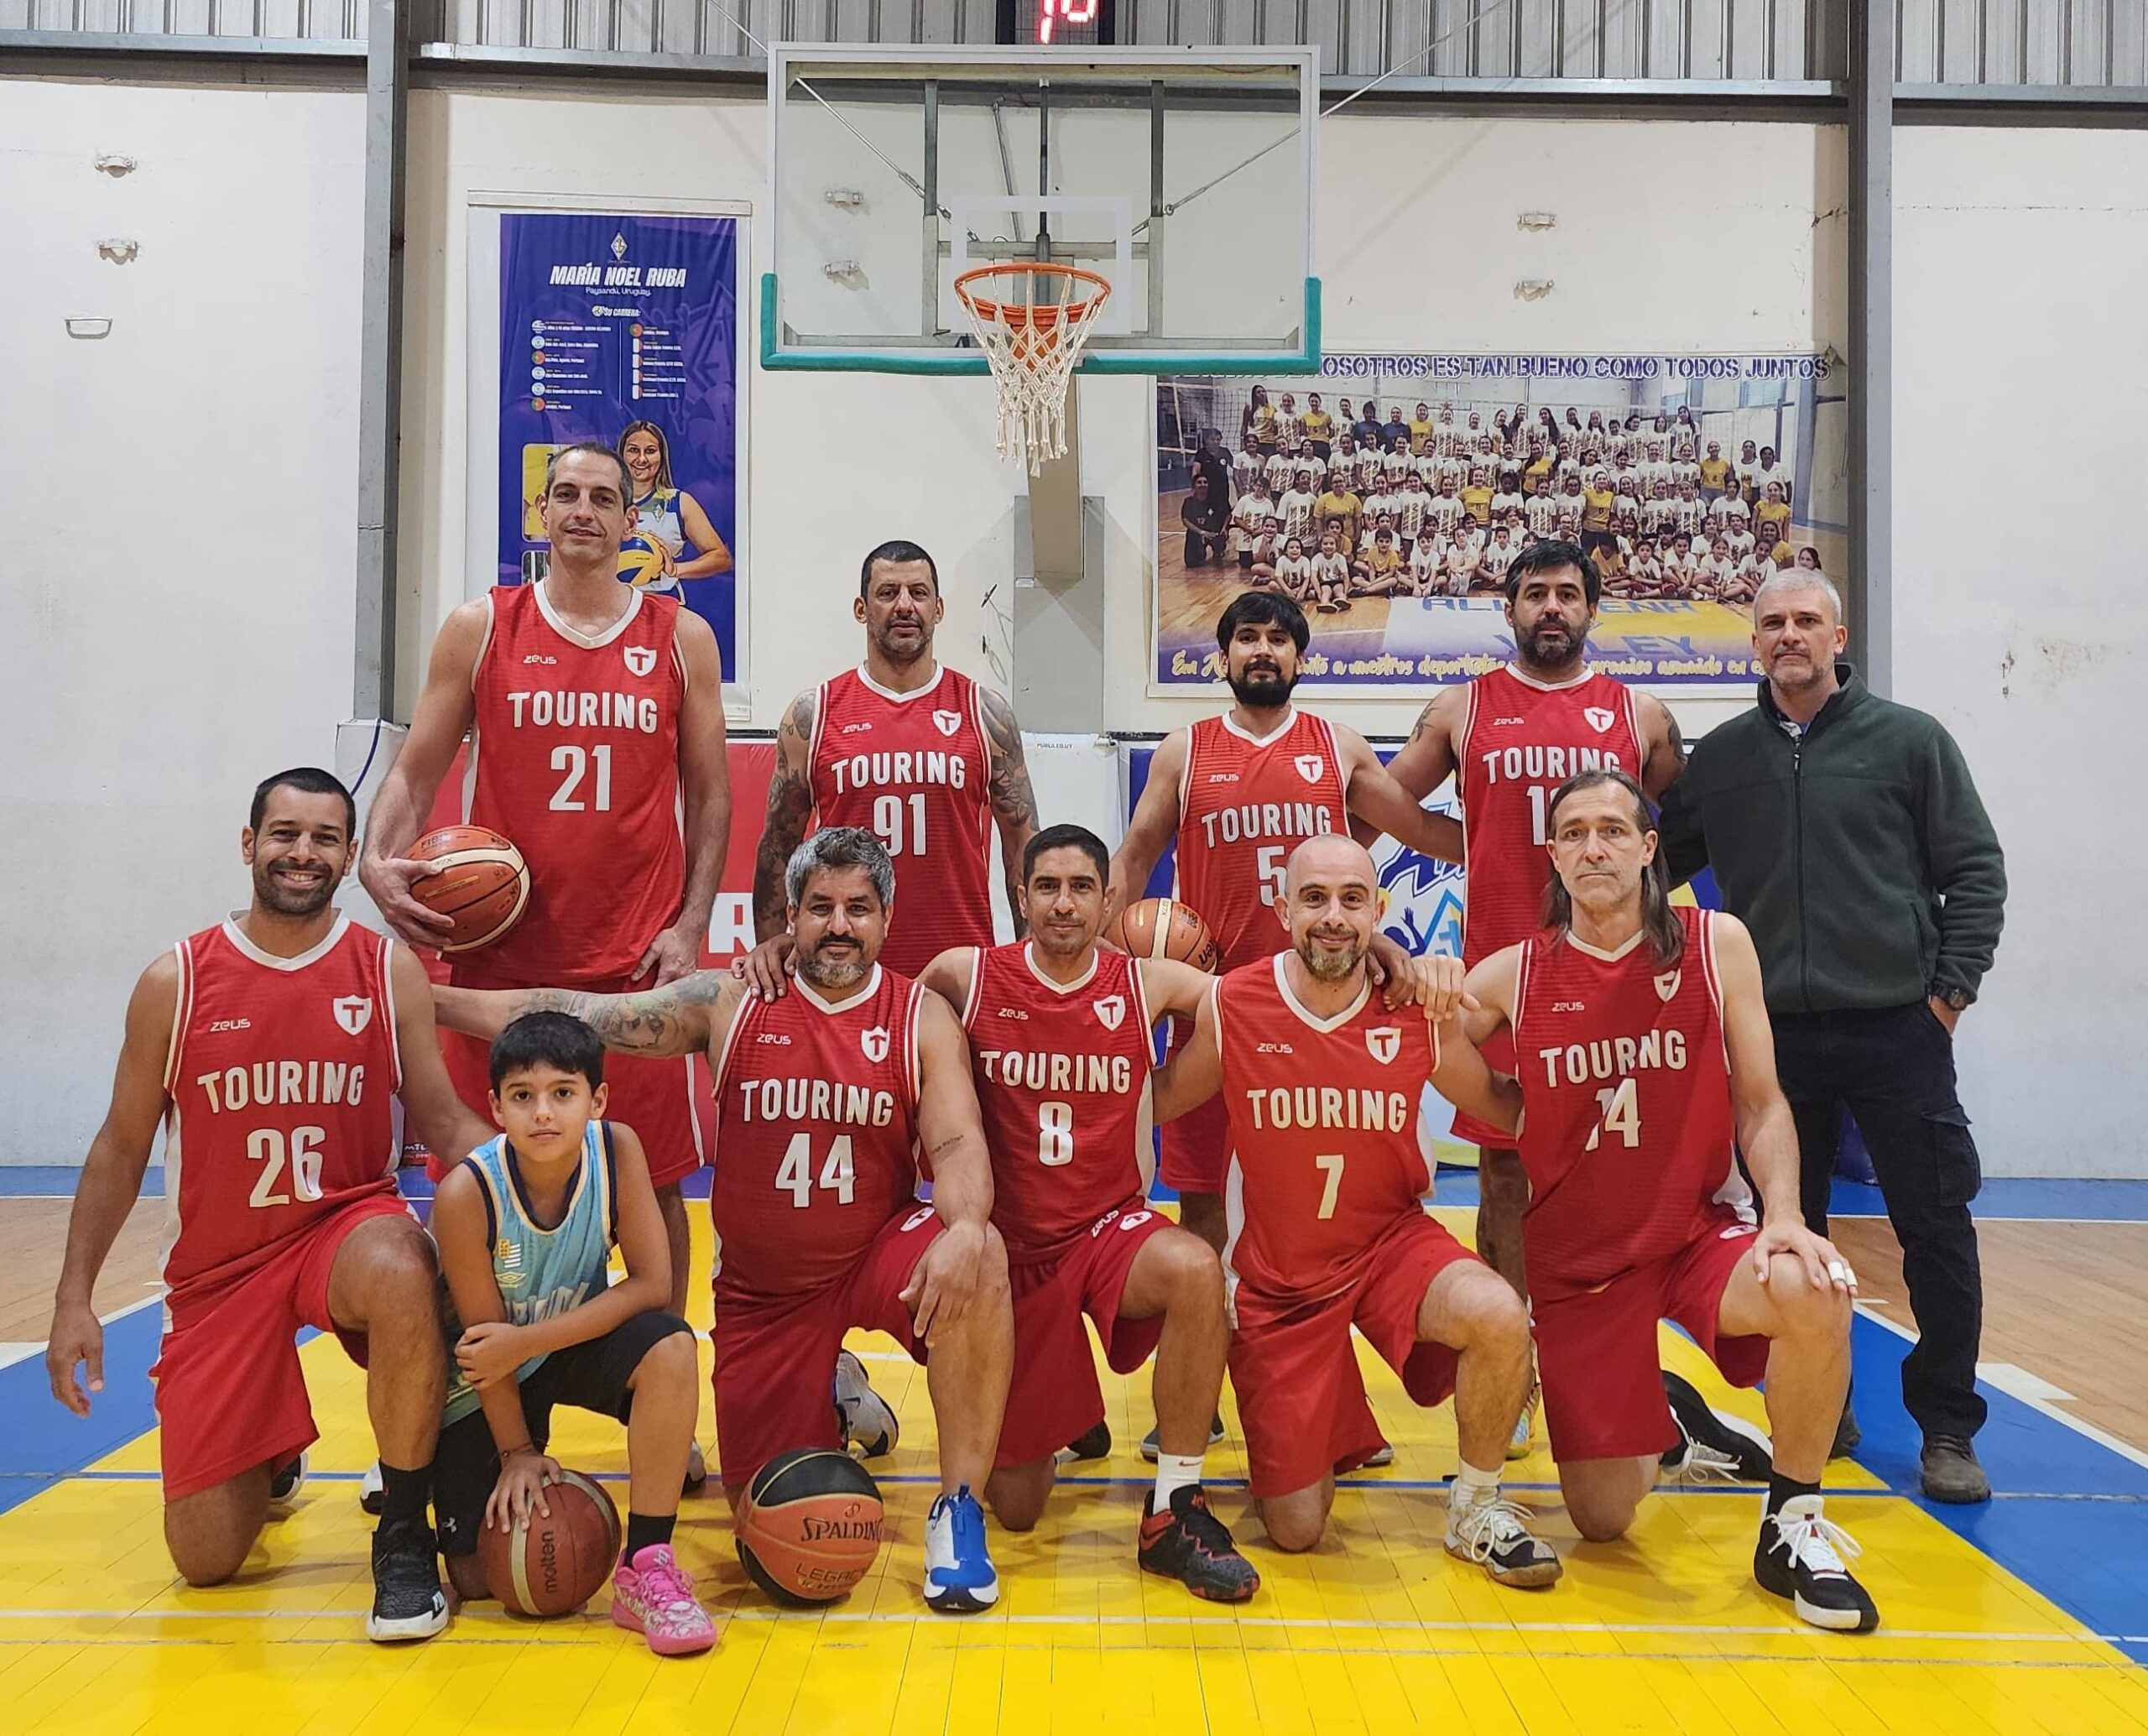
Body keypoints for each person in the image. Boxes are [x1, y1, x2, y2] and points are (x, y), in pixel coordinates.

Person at [436, 826, 1017, 1610]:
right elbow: (575, 1013)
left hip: (874, 1254)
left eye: (858, 907)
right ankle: (835, 1386)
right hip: (764, 1294)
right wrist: (423, 998)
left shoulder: (920, 1017)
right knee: (772, 1528)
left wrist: (968, 1226)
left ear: (886, 917)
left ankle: (959, 1510)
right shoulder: (730, 1002)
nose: (839, 924)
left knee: (980, 1253)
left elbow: (957, 1145)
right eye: (820, 906)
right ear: (788, 914)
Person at [47, 768, 495, 1640]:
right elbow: (120, 1147)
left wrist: (556, 1184)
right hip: (221, 1271)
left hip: (342, 1229)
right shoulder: (176, 981)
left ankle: (403, 1533)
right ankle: (272, 1445)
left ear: (350, 856)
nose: (303, 852)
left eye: (326, 838)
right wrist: (74, 1298)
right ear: (249, 844)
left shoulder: (385, 968)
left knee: (404, 1260)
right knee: (206, 1557)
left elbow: (443, 1119)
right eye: (285, 833)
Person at [361, 440, 731, 1489]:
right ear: (540, 511)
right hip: (497, 968)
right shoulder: (481, 626)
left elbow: (710, 791)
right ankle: (447, 1420)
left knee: (655, 1192)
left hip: (632, 966)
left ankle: (663, 1409)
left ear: (629, 519)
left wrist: (691, 922)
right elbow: (417, 766)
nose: (582, 509)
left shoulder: (680, 635)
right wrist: (378, 859)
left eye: (604, 497)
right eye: (565, 493)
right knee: (473, 1190)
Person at [1461, 768, 1877, 1630]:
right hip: (1580, 1269)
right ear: (1553, 856)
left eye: (1613, 829)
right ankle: (1674, 1418)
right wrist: (1417, 983)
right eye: (1573, 833)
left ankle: (1793, 1525)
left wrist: (1786, 1214)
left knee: (1816, 1285)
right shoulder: (1512, 974)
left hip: (1695, 1235)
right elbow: (1411, 1038)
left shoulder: (1716, 943)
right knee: (1602, 1517)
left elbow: (1761, 1101)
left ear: (1649, 847)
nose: (1594, 848)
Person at [1656, 572, 2007, 1499]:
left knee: (1935, 1227)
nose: (1789, 635)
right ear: (1753, 643)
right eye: (1772, 622)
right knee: (1789, 1233)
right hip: (1772, 1040)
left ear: (1837, 637)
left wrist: (1947, 995)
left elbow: (1975, 869)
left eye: (1806, 620)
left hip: (1900, 1028)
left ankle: (1947, 1426)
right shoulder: (1722, 757)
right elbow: (1654, 870)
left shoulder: (1910, 741)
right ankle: (1824, 1405)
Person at [1152, 837, 1561, 1583]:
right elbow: (1158, 1097)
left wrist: (1604, 1097)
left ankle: (1477, 1507)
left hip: (1389, 1248)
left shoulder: (1416, 1009)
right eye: (1314, 898)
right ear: (1283, 909)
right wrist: (1051, 1075)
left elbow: (1504, 1105)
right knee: (1297, 1528)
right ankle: (1325, 1405)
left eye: (1351, 899)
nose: (1333, 916)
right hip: (1280, 1283)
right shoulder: (1235, 1002)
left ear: (1378, 910)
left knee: (1500, 1315)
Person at [1374, 541, 1690, 1459]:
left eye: (1567, 594)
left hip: (1611, 979)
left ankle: (1605, 1363)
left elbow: (1666, 822)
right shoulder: (1462, 707)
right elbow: (1383, 802)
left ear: (1592, 607)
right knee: (1505, 1176)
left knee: (1616, 1181)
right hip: (1503, 978)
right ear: (1507, 607)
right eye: (1535, 594)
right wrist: (1464, 841)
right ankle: (1511, 1365)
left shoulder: (1640, 713)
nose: (1551, 607)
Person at [915, 826, 1259, 1600]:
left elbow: (1252, 1003)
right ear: (1021, 897)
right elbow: (880, 1013)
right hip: (1012, 1254)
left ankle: (1175, 1504)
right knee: (1017, 1509)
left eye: (1081, 888)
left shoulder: (1145, 982)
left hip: (1108, 1231)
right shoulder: (967, 974)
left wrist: (1157, 1096)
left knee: (1196, 1268)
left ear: (1109, 902)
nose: (1064, 903)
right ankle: (1069, 1409)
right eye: (1047, 886)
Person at [429, 1012, 713, 1655]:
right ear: (495, 1106)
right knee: (483, 1576)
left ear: (597, 1098)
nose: (543, 1112)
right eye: (522, 1095)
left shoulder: (617, 1150)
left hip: (556, 1346)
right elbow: (484, 1348)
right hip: (486, 1379)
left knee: (671, 1344)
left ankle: (648, 1564)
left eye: (563, 1092)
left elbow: (653, 1283)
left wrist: (531, 1340)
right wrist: (517, 1451)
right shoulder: (466, 1192)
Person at [749, 540, 1039, 983]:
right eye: (888, 593)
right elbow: (777, 846)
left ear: (938, 609)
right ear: (861, 609)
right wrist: (772, 945)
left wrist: (1029, 957)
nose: (905, 605)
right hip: (845, 967)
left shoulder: (983, 712)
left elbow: (1022, 845)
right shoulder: (814, 714)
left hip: (960, 970)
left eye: (918, 593)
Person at [618, 419, 734, 594]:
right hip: (611, 604)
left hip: (662, 602)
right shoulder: (604, 502)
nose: (641, 459)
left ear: (662, 456)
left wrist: (675, 570)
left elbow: (721, 558)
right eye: (633, 450)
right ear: (621, 454)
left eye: (650, 451)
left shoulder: (678, 502)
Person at [1181, 472, 1229, 567]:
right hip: (1198, 533)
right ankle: (1199, 553)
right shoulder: (1188, 502)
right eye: (1199, 482)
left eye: (1205, 482)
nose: (1203, 484)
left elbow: (1228, 514)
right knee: (1191, 563)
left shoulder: (1216, 500)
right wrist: (1201, 532)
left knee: (1219, 539)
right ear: (1194, 486)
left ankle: (1218, 551)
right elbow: (1185, 520)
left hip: (1214, 533)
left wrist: (1224, 528)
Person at [1300, 392, 1335, 461]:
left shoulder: (1327, 416)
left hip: (1323, 443)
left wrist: (1324, 437)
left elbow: (1332, 431)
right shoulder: (1305, 416)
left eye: (1316, 401)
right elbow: (1303, 431)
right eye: (1312, 401)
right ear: (1309, 403)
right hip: (1311, 443)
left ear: (1320, 402)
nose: (1314, 403)